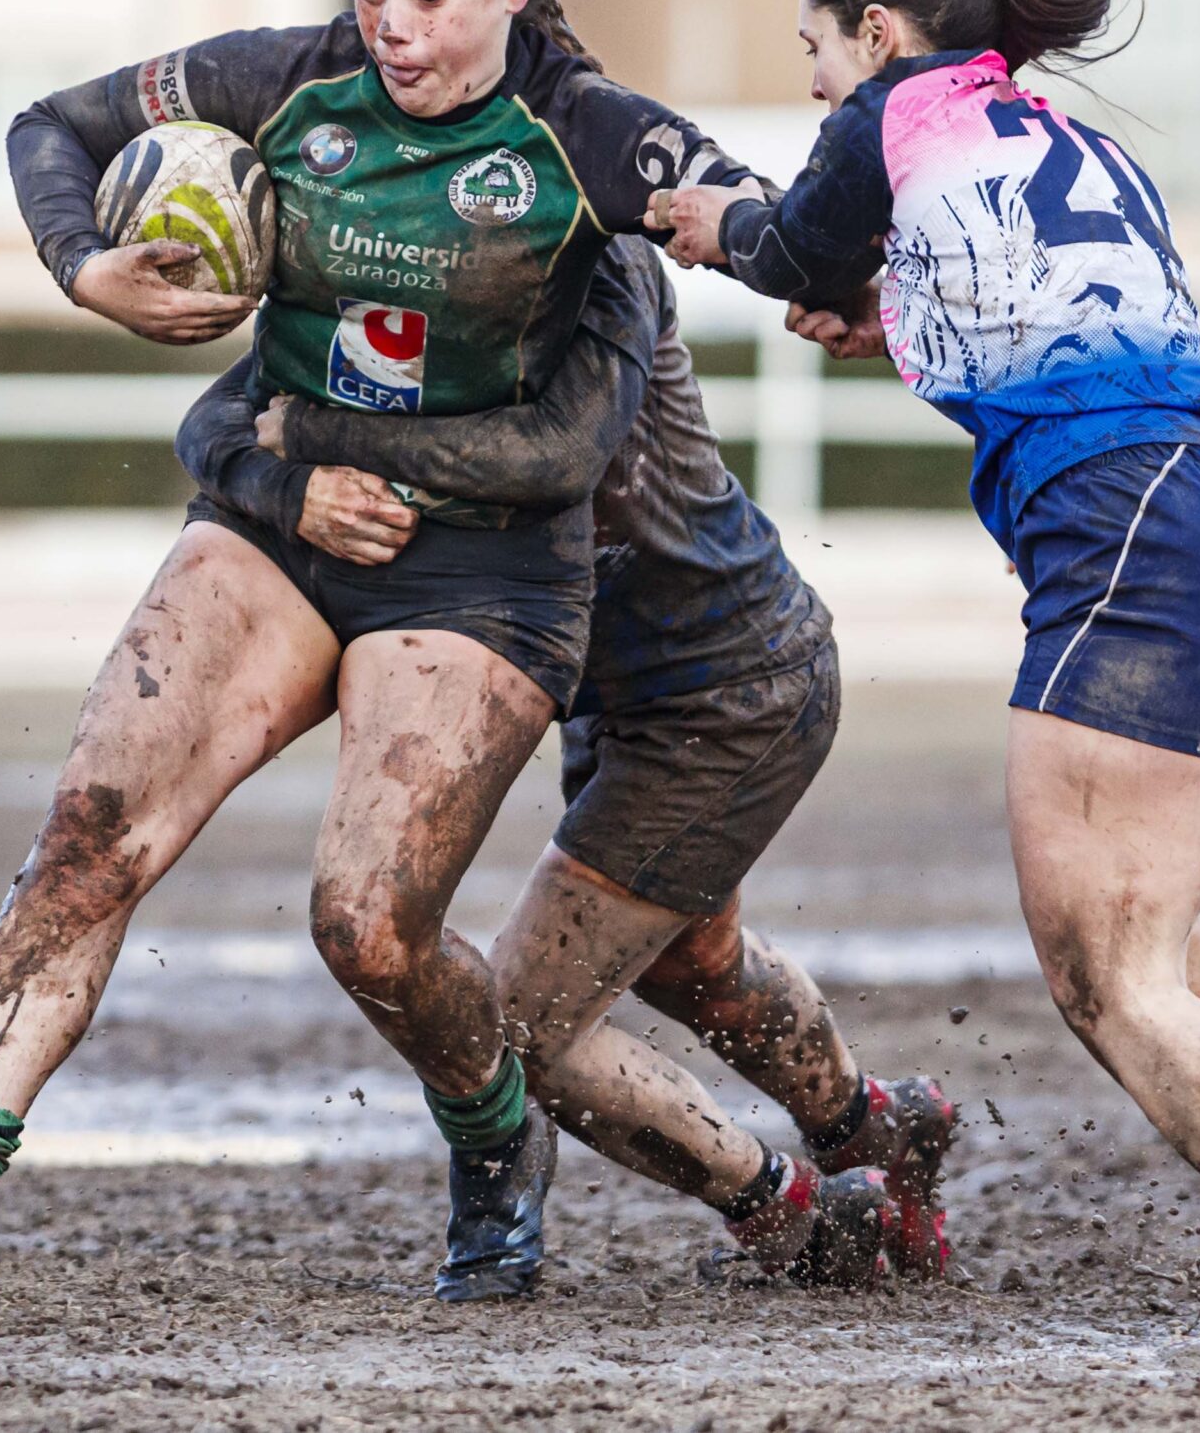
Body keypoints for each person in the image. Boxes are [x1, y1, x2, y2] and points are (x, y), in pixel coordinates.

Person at [0, 0, 768, 1302]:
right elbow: (54, 123)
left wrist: (842, 267)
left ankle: (495, 1133)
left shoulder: (588, 138)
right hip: (277, 530)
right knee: (93, 823)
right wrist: (81, 265)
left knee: (365, 925)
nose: (392, 22)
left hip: (484, 580)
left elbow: (725, 269)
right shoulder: (289, 80)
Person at [657, 0, 1200, 1352]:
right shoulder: (1068, 135)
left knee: (1108, 971)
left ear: (881, 29)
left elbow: (785, 248)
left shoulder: (890, 111)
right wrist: (883, 310)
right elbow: (1030, 313)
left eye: (818, 42)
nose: (817, 73)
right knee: (1168, 934)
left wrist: (721, 224)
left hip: (1135, 533)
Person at [173, 236, 955, 1283]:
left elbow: (555, 457)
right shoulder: (410, 260)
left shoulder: (596, 260)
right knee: (691, 961)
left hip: (721, 686)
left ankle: (798, 1215)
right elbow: (214, 419)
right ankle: (870, 1131)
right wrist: (278, 473)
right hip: (634, 691)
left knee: (520, 1026)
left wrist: (308, 432)